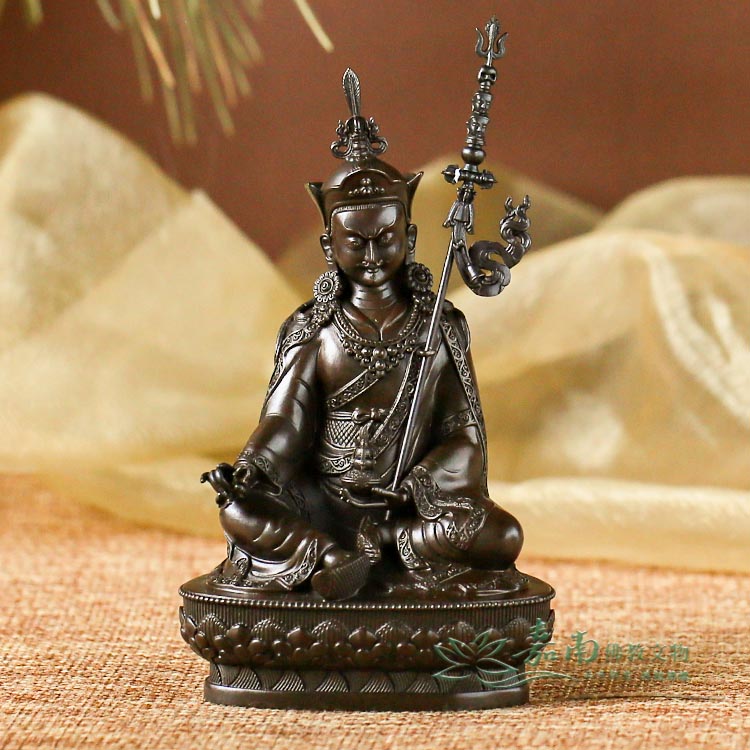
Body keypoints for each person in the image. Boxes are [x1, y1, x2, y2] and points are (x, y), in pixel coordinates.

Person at [202, 71, 523, 601]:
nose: (372, 256)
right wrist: (251, 468)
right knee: (238, 511)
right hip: (322, 502)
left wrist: (418, 483)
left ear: (409, 237)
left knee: (503, 535)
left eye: (385, 239)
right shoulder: (313, 329)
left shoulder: (440, 326)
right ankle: (331, 556)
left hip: (409, 507)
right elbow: (285, 422)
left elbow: (463, 432)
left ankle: (387, 546)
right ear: (330, 246)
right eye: (356, 242)